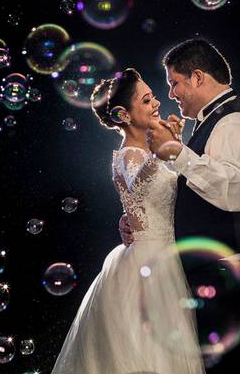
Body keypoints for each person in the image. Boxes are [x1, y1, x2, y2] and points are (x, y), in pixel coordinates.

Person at [121, 38, 240, 372]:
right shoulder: (212, 121)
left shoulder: (235, 122)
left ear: (197, 77)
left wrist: (178, 152)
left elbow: (235, 194)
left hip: (236, 273)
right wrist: (140, 217)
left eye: (174, 83)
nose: (171, 94)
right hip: (218, 272)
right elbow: (199, 192)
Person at [51, 68, 205, 374]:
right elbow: (138, 186)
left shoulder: (149, 153)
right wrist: (161, 154)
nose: (157, 103)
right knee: (146, 354)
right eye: (146, 100)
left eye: (153, 96)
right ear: (123, 115)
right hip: (145, 265)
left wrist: (172, 144)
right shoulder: (127, 156)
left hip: (167, 257)